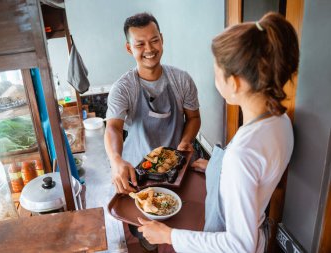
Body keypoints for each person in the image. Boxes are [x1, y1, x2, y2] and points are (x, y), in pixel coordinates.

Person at [137, 12, 299, 252]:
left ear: (234, 82)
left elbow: (239, 245)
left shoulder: (242, 155)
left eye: (216, 73)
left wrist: (169, 235)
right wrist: (216, 167)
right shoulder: (279, 121)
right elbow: (256, 177)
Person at [105, 12, 201, 194]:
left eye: (154, 40)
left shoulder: (182, 80)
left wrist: (186, 141)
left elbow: (194, 117)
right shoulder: (123, 88)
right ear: (129, 48)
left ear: (162, 40)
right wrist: (116, 159)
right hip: (137, 173)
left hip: (178, 168)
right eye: (140, 44)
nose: (149, 49)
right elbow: (113, 128)